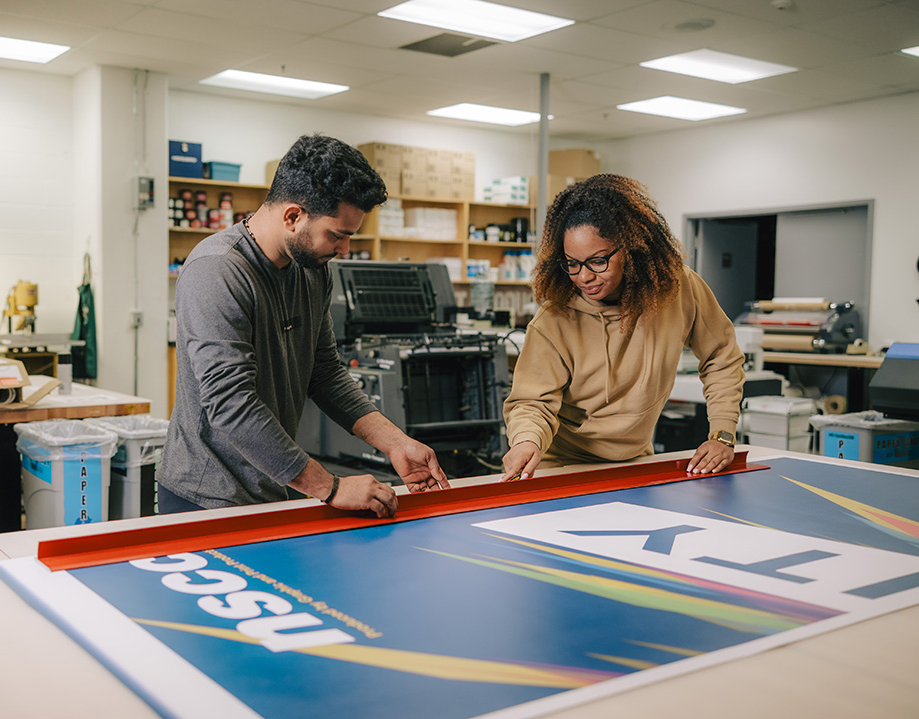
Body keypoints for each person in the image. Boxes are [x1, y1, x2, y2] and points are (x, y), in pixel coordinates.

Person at [159, 134, 450, 518]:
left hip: (272, 488)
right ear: (293, 216)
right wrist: (331, 487)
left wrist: (395, 442)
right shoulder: (217, 270)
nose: (344, 250)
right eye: (338, 235)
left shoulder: (312, 270)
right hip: (206, 500)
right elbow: (230, 404)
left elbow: (325, 372)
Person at [501, 173, 744, 481]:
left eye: (597, 261)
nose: (583, 277)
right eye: (572, 263)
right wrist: (526, 441)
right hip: (559, 464)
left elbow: (721, 356)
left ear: (630, 248)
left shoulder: (678, 287)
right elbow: (531, 402)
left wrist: (722, 433)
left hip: (635, 461)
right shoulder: (554, 320)